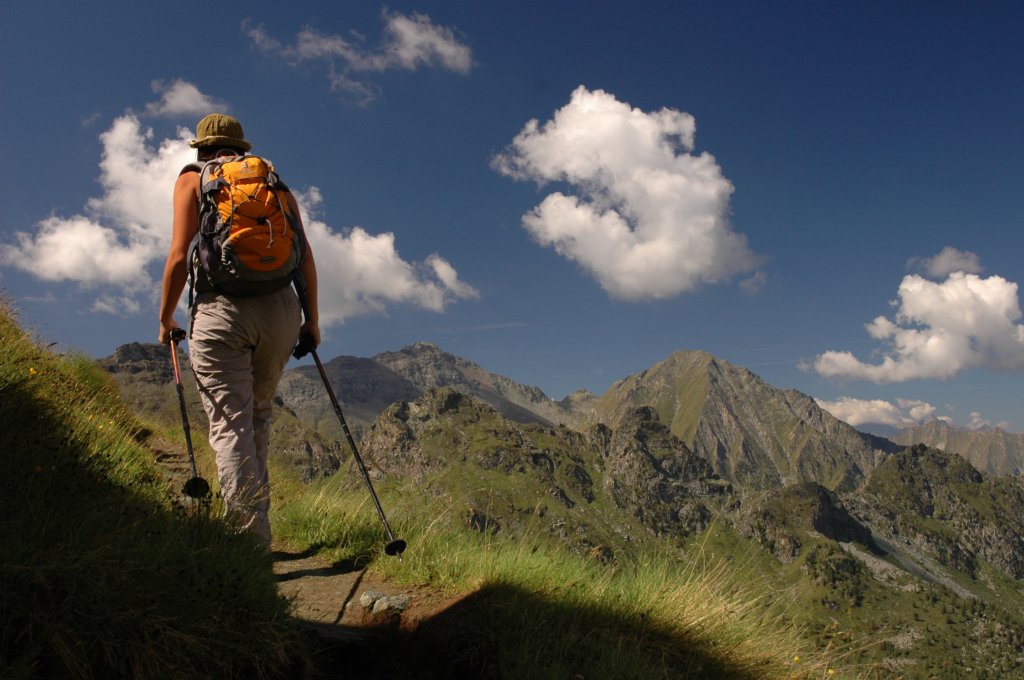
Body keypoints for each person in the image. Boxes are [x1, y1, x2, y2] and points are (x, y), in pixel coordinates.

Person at [158, 113, 320, 548]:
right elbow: (305, 257)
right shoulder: (275, 184)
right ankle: (257, 527)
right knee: (258, 416)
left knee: (231, 426)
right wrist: (313, 321)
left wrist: (165, 317)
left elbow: (178, 255)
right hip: (282, 310)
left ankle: (247, 544)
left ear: (202, 148)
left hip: (221, 310)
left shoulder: (194, 179)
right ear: (241, 149)